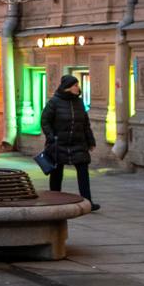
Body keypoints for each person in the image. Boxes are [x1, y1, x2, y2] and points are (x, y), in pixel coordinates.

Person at [41, 74, 100, 211]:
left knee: (83, 171)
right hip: (59, 143)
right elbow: (45, 121)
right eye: (75, 85)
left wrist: (90, 141)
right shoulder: (54, 102)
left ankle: (88, 202)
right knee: (56, 173)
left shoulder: (79, 102)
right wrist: (51, 137)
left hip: (78, 143)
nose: (77, 87)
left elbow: (85, 124)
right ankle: (54, 200)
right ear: (68, 87)